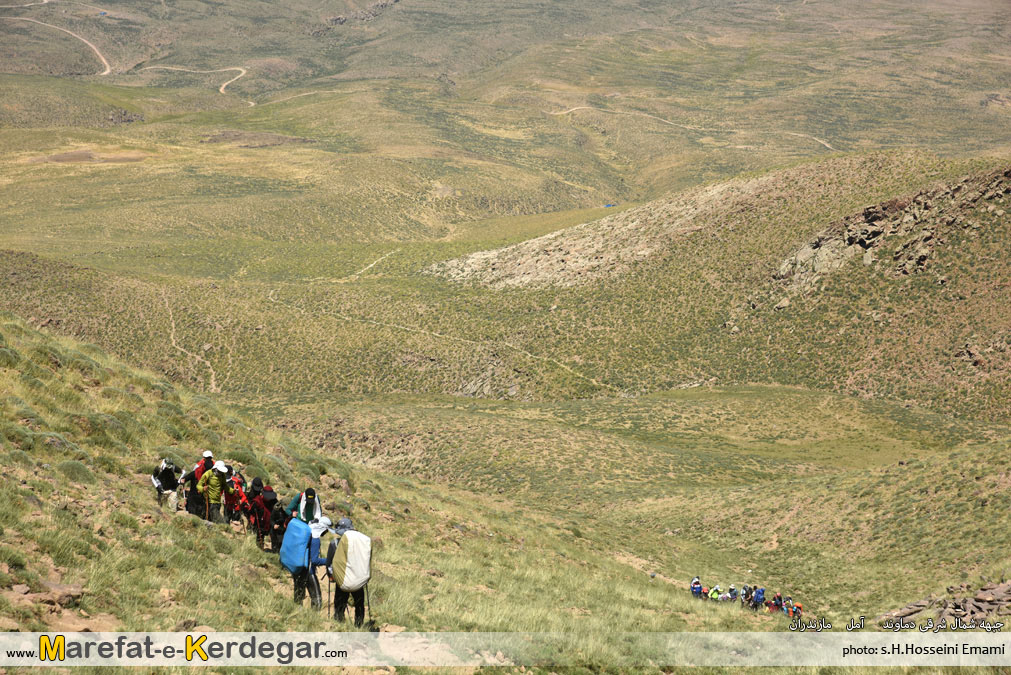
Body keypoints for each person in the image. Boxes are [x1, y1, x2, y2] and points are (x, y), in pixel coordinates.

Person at [328, 517, 367, 627]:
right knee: (359, 603)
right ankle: (359, 626)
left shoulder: (334, 543)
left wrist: (331, 576)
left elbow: (329, 563)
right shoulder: (360, 544)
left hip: (341, 579)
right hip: (358, 579)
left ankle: (338, 622)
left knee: (340, 602)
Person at [293, 516, 335, 609]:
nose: (326, 532)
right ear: (323, 528)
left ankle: (296, 614)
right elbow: (315, 560)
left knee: (298, 595)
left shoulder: (307, 532)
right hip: (309, 571)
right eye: (326, 530)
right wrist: (330, 560)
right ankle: (315, 618)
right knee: (317, 599)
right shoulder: (315, 538)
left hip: (297, 567)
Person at [180, 451, 214, 515]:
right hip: (204, 498)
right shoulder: (212, 471)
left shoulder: (196, 472)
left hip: (194, 497)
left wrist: (182, 483)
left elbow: (183, 480)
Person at [249, 482, 278, 550]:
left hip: (270, 523)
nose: (268, 499)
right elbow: (251, 511)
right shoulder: (257, 501)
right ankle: (259, 548)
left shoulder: (274, 501)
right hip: (260, 523)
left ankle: (274, 549)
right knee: (259, 537)